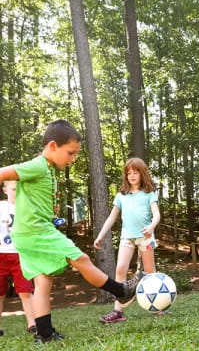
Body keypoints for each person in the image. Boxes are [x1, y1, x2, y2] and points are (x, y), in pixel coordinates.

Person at [0, 120, 145, 343]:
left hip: (29, 232)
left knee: (43, 281)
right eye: (70, 153)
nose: (73, 158)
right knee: (81, 258)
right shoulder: (37, 165)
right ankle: (120, 290)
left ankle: (45, 334)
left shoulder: (47, 168)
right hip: (36, 231)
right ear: (52, 146)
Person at [94, 158, 160, 323]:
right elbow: (111, 218)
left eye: (135, 172)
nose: (132, 175)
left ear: (142, 173)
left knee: (151, 272)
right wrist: (101, 235)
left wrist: (151, 227)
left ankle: (157, 306)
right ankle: (118, 311)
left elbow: (157, 215)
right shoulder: (121, 195)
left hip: (146, 237)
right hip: (127, 237)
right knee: (120, 269)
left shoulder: (149, 194)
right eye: (129, 173)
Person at [0, 181, 35, 336]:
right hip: (1, 254)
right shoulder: (1, 207)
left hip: (20, 254)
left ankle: (33, 323)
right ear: (5, 190)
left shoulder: (26, 207)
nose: (16, 192)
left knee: (25, 290)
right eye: (13, 189)